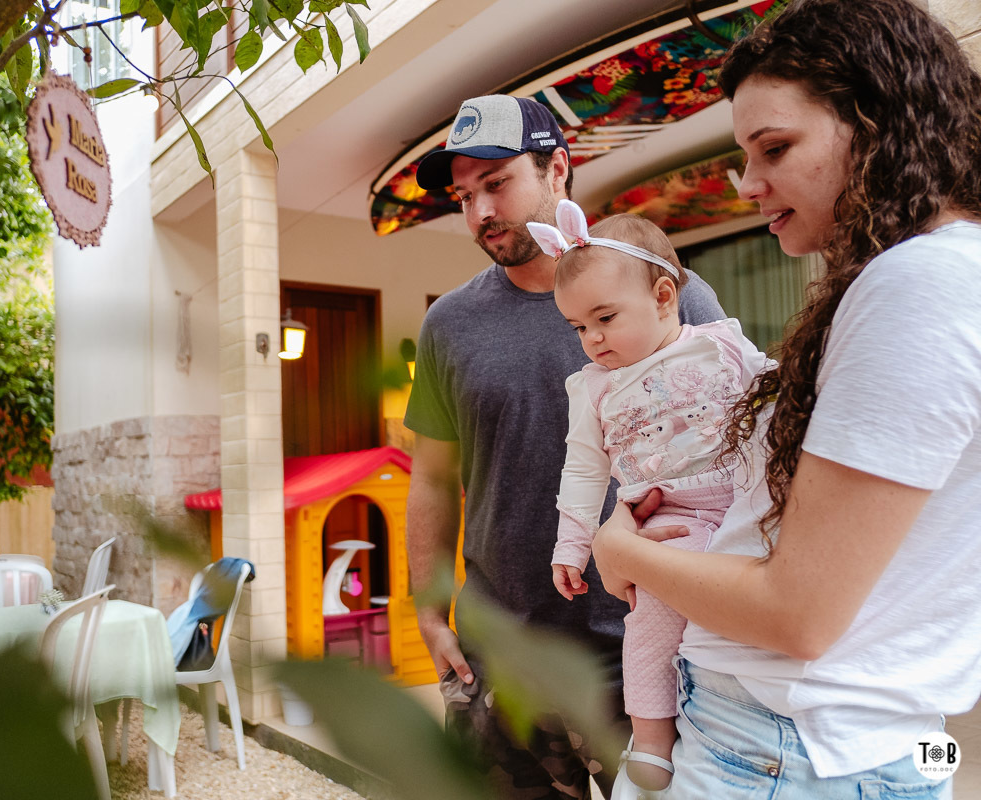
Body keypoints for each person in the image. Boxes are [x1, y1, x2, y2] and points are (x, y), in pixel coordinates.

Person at [589, 0, 981, 796]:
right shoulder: (933, 275)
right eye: (746, 154)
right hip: (800, 741)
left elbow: (796, 613)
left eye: (775, 148)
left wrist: (621, 552)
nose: (748, 184)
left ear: (879, 124)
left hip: (779, 749)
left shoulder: (920, 284)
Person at [404, 93, 726, 799]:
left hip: (641, 652)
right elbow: (431, 477)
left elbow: (734, 440)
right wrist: (427, 613)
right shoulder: (449, 325)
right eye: (464, 197)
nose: (480, 212)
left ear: (558, 171)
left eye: (496, 183)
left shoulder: (668, 292)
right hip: (500, 659)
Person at [524, 200, 767, 798]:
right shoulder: (594, 389)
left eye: (605, 318)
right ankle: (653, 737)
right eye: (578, 327)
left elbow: (776, 394)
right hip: (668, 523)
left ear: (663, 297)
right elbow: (583, 470)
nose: (593, 339)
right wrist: (572, 546)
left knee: (751, 618)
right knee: (651, 624)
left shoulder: (719, 344)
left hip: (747, 507)